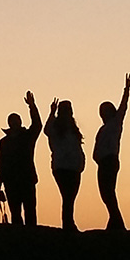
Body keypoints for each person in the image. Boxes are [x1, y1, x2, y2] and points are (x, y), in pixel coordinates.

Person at [0, 91, 42, 226]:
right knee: (15, 214)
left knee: (30, 212)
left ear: (20, 122)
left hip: (27, 179)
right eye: (12, 121)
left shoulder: (27, 137)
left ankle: (31, 239)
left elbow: (37, 125)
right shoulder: (4, 142)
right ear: (9, 124)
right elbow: (1, 164)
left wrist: (32, 106)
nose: (14, 123)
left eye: (16, 121)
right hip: (11, 182)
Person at [93, 74, 130, 231]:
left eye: (105, 110)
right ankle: (114, 221)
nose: (103, 113)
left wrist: (127, 90)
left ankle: (117, 223)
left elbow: (123, 107)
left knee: (108, 192)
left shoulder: (115, 123)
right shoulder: (103, 128)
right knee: (105, 193)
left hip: (109, 160)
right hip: (102, 162)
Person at [44, 98, 85, 231]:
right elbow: (46, 130)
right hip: (62, 167)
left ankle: (69, 222)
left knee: (70, 197)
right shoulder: (55, 127)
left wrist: (81, 161)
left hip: (74, 167)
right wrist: (51, 113)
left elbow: (77, 147)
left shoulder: (73, 129)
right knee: (67, 196)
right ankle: (68, 224)